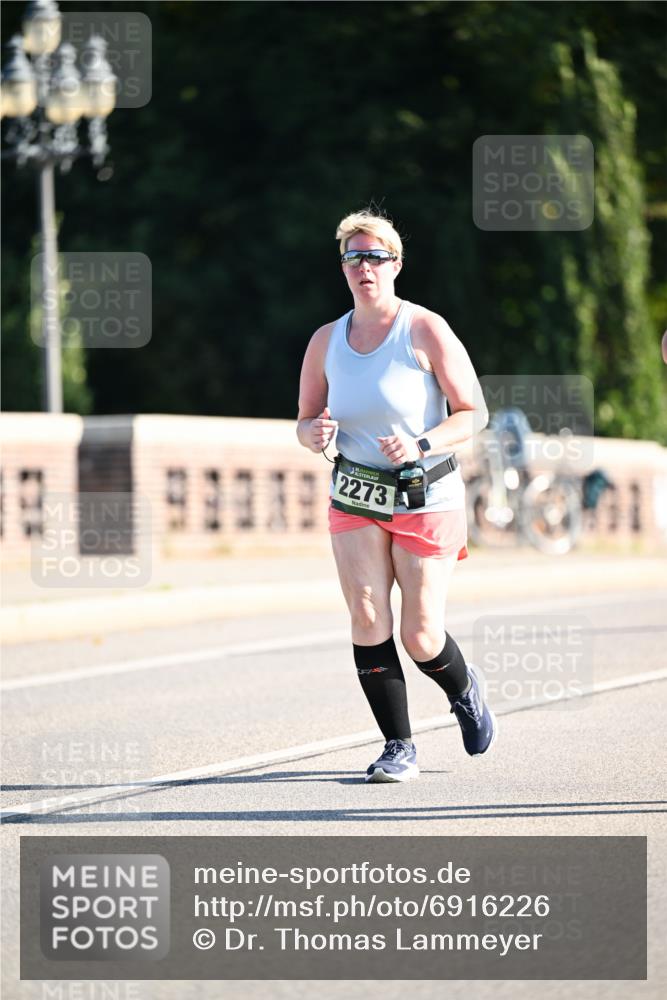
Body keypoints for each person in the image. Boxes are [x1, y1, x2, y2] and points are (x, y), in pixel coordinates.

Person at [297, 209, 496, 783]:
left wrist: (421, 444)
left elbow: (473, 412)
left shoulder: (425, 330)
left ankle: (463, 689)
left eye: (375, 256)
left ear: (396, 264)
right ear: (343, 267)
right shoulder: (325, 341)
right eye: (353, 257)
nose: (364, 267)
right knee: (366, 616)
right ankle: (398, 746)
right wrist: (313, 434)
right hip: (355, 494)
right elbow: (305, 421)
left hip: (425, 494)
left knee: (420, 634)